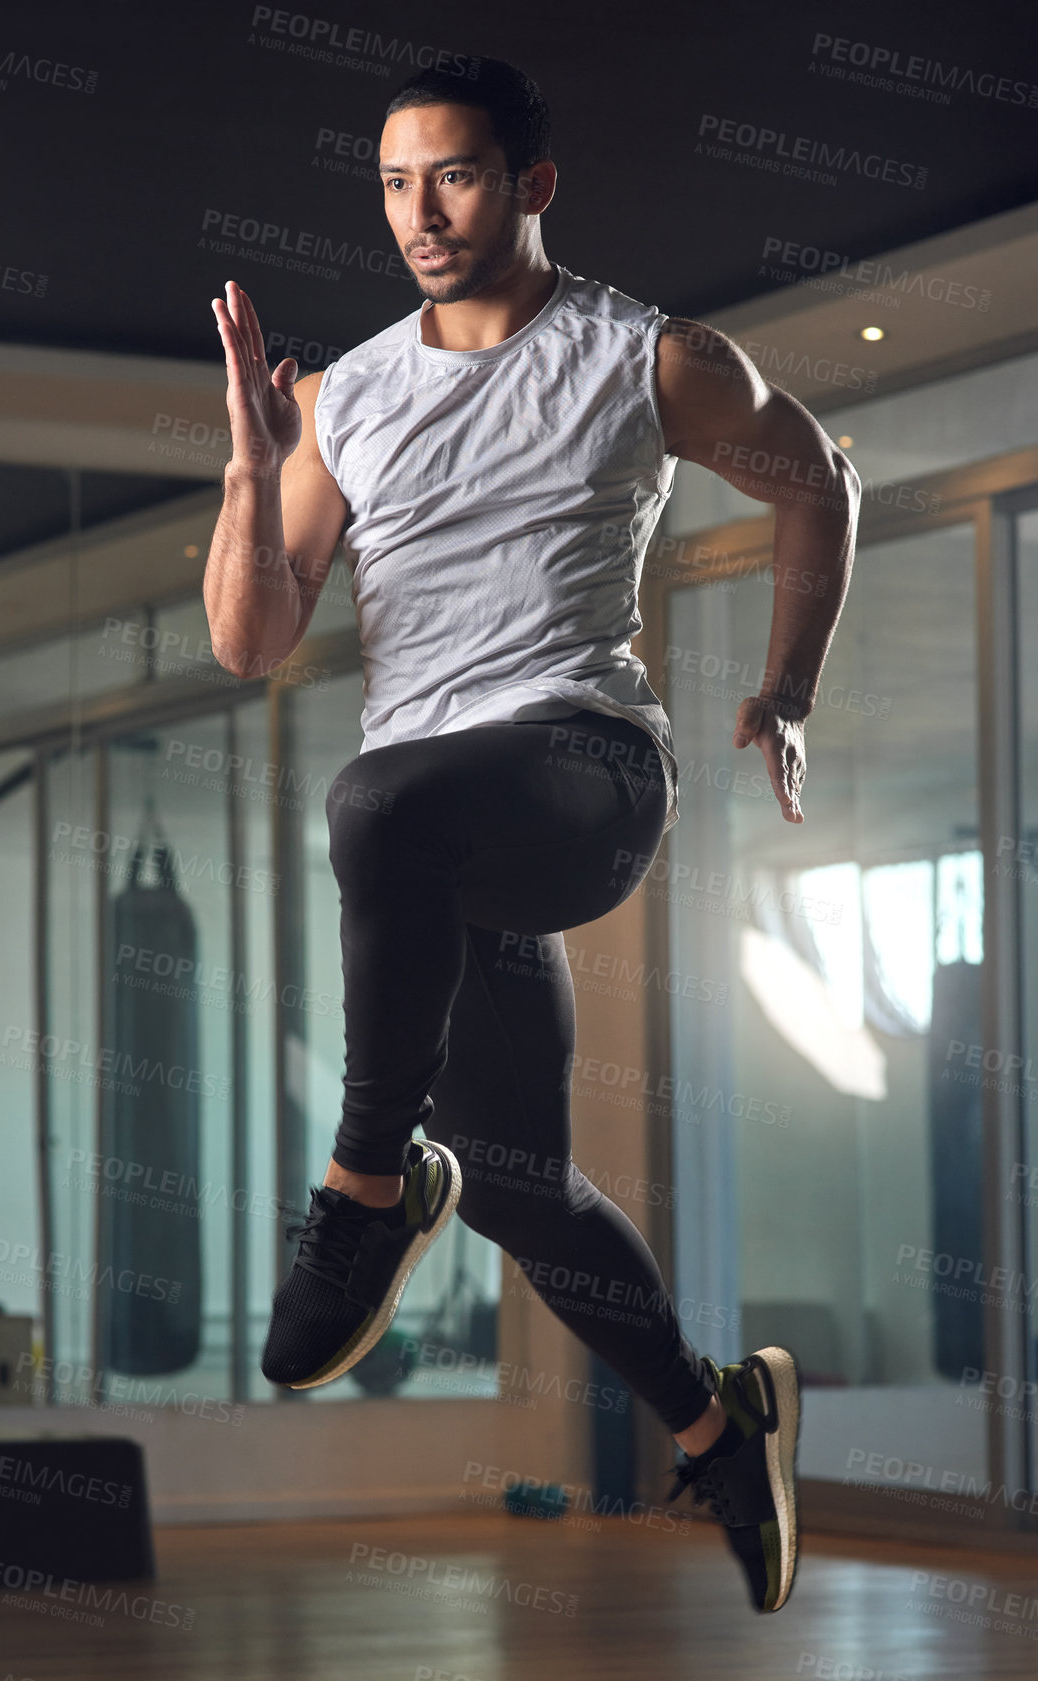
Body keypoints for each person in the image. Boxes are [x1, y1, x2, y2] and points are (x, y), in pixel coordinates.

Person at [204, 58, 859, 1616]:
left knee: (375, 801)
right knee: (517, 1182)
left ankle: (370, 1186)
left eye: (457, 176)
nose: (420, 214)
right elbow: (250, 639)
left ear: (532, 186)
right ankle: (720, 1427)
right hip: (440, 835)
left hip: (582, 775)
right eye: (392, 182)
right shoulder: (350, 392)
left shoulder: (645, 357)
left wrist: (789, 687)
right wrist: (248, 454)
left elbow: (820, 480)